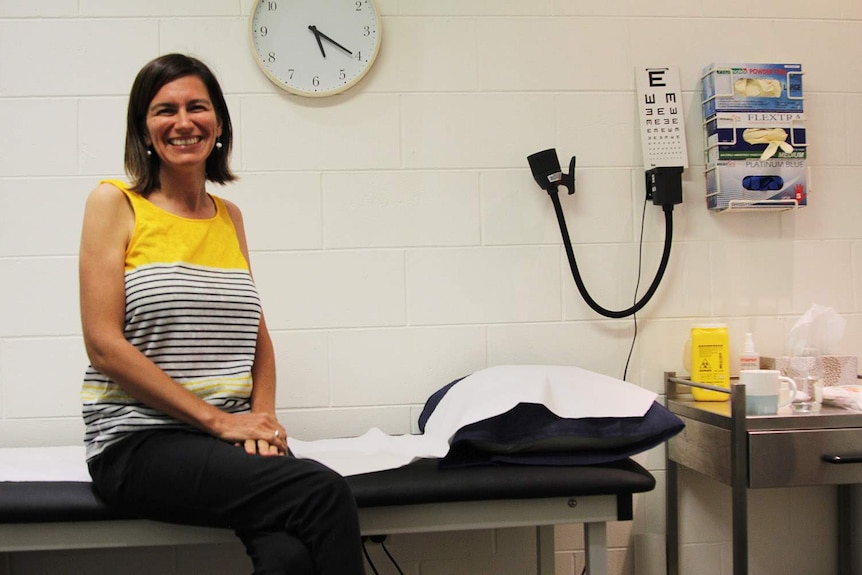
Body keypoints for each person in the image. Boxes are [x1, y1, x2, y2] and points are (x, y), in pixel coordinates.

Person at [79, 53, 365, 575]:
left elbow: (257, 336)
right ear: (143, 128)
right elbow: (103, 345)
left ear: (219, 124)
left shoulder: (228, 217)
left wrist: (264, 422)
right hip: (138, 440)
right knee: (322, 492)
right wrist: (221, 422)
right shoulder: (114, 203)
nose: (183, 122)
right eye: (165, 110)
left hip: (224, 437)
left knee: (289, 556)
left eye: (197, 107)